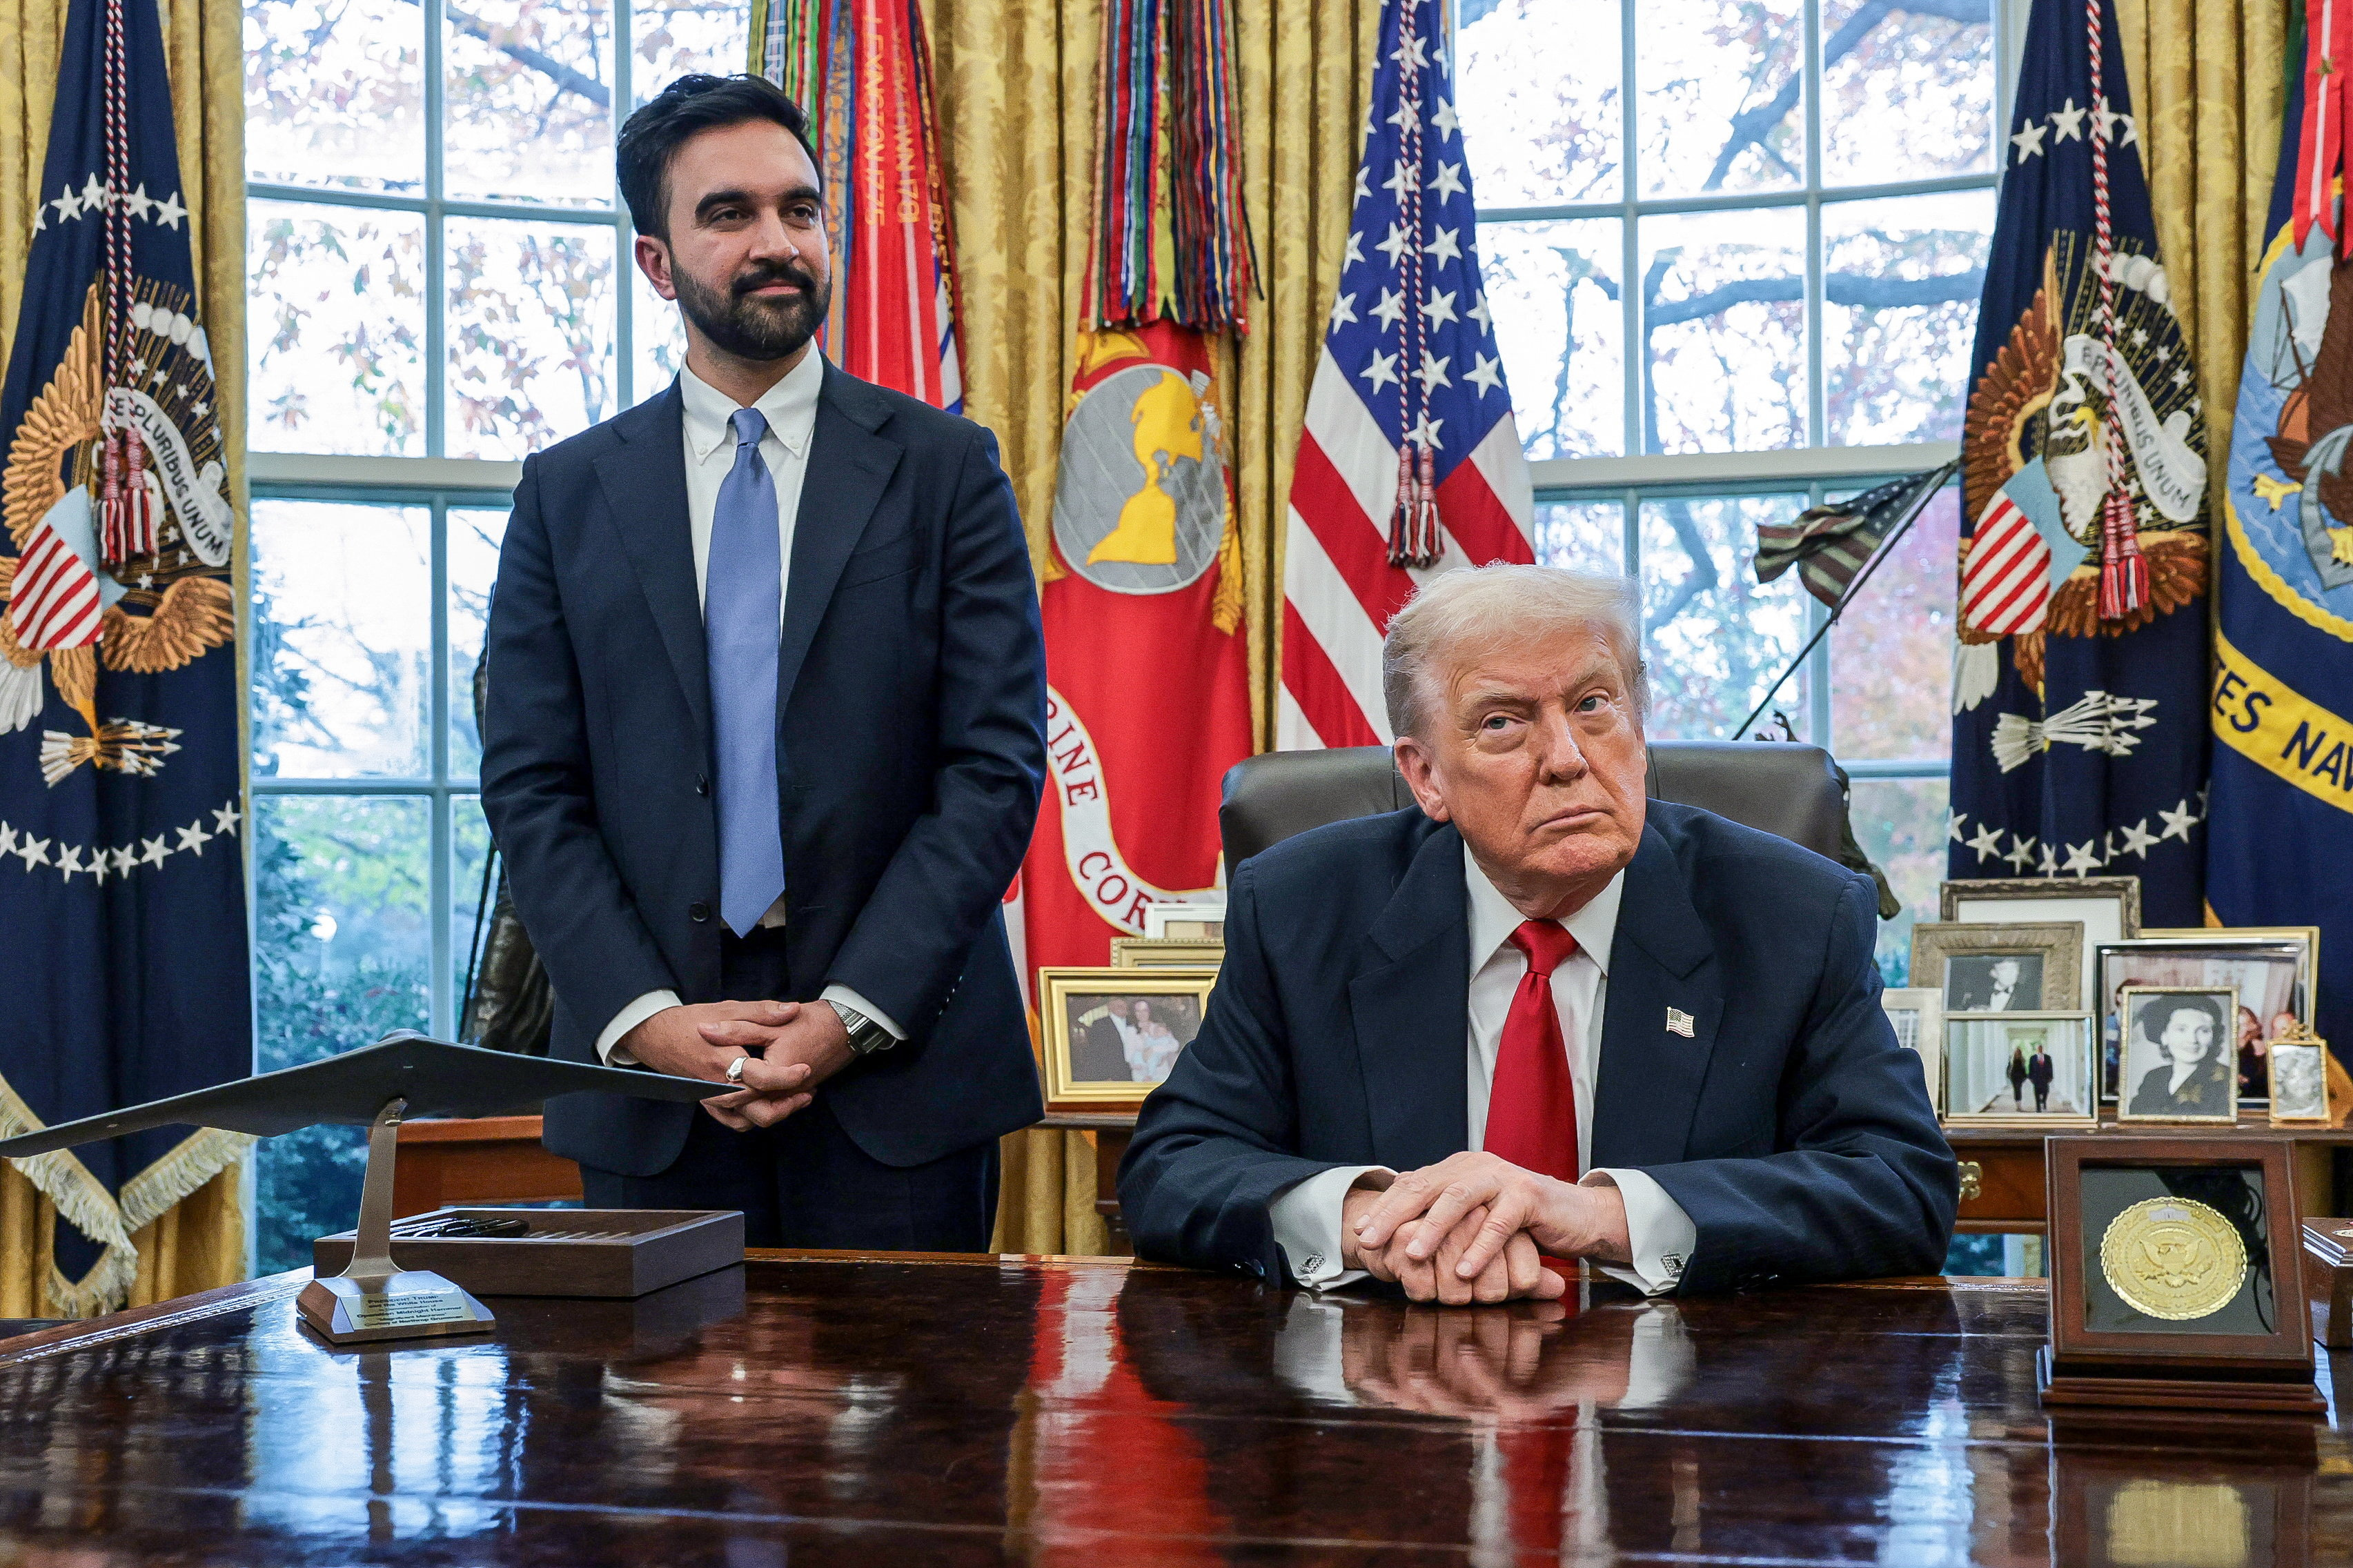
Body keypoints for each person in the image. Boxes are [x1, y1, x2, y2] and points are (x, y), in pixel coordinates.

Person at [480, 74, 1048, 1250]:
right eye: (729, 214)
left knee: (911, 1439)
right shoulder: (566, 494)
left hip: (900, 1074)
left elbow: (993, 768)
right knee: (655, 1437)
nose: (777, 241)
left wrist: (846, 1017)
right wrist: (645, 1021)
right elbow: (533, 787)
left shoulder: (949, 471)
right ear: (656, 260)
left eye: (801, 209)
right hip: (653, 1088)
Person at [1116, 564, 1956, 1303]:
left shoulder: (1791, 912)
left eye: (1594, 705)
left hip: (1687, 1431)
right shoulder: (1305, 906)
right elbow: (1172, 1164)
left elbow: (1899, 1185)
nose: (1565, 756)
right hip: (1391, 1419)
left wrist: (1593, 1212)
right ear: (1423, 775)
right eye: (1502, 722)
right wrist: (1379, 1223)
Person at [2125, 995, 2235, 1118]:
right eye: (2181, 1029)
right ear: (2164, 1036)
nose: (2192, 1040)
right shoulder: (2154, 1078)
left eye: (2203, 1031)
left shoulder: (2227, 1080)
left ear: (2214, 1037)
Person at [1121, 998, 1184, 1082]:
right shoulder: (1130, 1030)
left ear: (1149, 1011)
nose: (1142, 1014)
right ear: (1134, 1013)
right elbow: (1128, 1056)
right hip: (1141, 1073)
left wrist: (1154, 1049)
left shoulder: (1159, 1027)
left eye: (1145, 1010)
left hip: (1161, 1072)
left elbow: (1175, 1046)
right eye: (1138, 1011)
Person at [1952, 956, 2029, 1012]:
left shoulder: (2027, 995)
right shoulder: (1977, 993)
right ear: (1993, 973)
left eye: (2014, 968)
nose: (2010, 973)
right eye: (2004, 969)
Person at [2026, 1042, 2054, 1112]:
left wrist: (2051, 1076)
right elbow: (2030, 1068)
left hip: (2045, 1078)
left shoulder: (2048, 1058)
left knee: (2046, 1091)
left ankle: (2043, 1101)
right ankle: (2038, 1108)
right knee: (2037, 1093)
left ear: (2042, 1049)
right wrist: (2030, 1077)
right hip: (2036, 1078)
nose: (2040, 1049)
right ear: (2037, 1049)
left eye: (2041, 1048)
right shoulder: (2033, 1058)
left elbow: (2050, 1067)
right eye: (2039, 1048)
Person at [2006, 1044, 2029, 1109]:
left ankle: (2019, 1104)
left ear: (2020, 1052)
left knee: (2019, 1089)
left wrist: (2025, 1076)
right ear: (2015, 1052)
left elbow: (2024, 1068)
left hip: (2020, 1077)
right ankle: (2017, 1104)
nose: (2017, 1052)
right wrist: (2008, 1075)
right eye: (2017, 1051)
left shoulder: (2022, 1059)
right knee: (2015, 1090)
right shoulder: (2012, 1059)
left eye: (2019, 1051)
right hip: (2013, 1076)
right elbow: (2009, 1067)